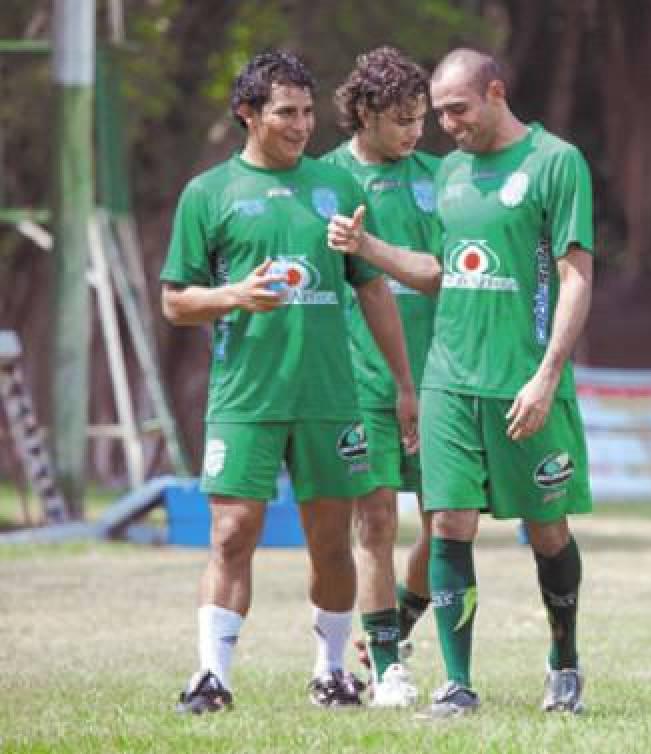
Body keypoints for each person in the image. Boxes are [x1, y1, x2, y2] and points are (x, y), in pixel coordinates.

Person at [327, 48, 594, 718]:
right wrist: (369, 249)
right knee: (446, 521)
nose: (444, 125)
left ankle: (564, 661)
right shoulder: (449, 172)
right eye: (437, 112)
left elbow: (576, 276)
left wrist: (547, 374)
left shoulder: (555, 162)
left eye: (455, 110)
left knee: (547, 531)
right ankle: (457, 684)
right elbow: (441, 270)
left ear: (496, 93)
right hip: (449, 377)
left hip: (525, 379)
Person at [161, 51, 418, 713]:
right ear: (248, 114)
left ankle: (331, 672)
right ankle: (212, 676)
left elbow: (375, 293)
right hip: (246, 396)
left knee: (331, 540)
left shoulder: (339, 189)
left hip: (331, 399)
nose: (302, 124)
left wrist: (403, 382)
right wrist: (234, 296)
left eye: (307, 111)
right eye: (286, 112)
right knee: (231, 532)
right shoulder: (209, 194)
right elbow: (175, 302)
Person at [322, 46, 440, 708]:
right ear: (364, 112)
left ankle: (397, 618)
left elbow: (444, 266)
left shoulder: (438, 176)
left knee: (448, 520)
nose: (414, 131)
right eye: (402, 119)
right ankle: (389, 668)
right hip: (361, 378)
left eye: (420, 117)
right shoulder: (326, 180)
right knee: (373, 521)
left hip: (442, 374)